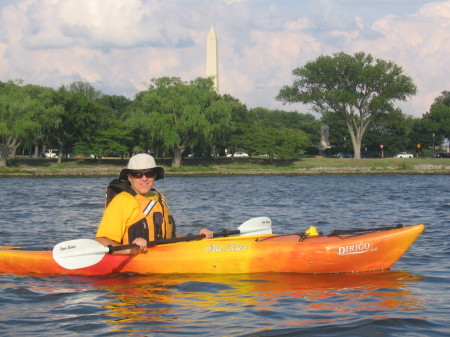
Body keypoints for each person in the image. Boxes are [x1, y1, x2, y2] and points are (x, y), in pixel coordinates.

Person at [96, 153, 213, 254]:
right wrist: (131, 249)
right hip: (132, 271)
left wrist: (194, 238)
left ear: (155, 176)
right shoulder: (122, 201)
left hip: (162, 257)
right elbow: (101, 241)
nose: (144, 178)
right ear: (129, 177)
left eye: (149, 173)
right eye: (137, 174)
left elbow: (167, 238)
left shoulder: (158, 197)